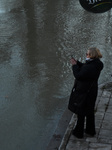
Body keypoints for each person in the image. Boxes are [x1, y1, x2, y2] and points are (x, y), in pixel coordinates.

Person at [68, 47, 104, 138]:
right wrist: (78, 63)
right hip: (92, 91)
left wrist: (74, 66)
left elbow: (79, 76)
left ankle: (78, 132)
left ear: (92, 55)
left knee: (81, 111)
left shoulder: (90, 67)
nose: (86, 55)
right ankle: (90, 130)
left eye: (88, 54)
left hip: (84, 92)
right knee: (89, 111)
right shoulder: (97, 64)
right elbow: (85, 67)